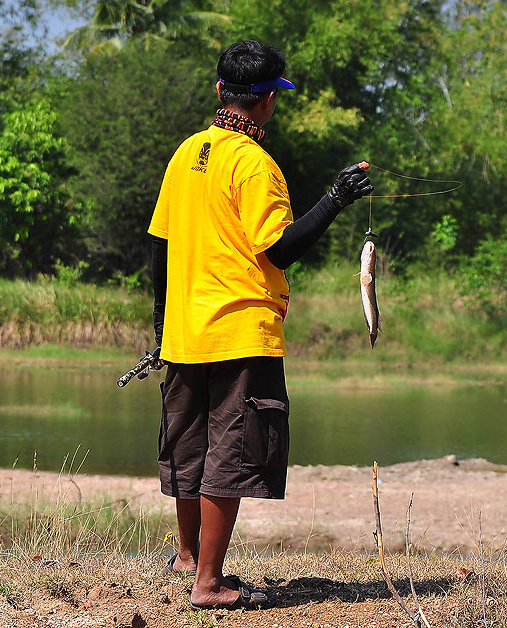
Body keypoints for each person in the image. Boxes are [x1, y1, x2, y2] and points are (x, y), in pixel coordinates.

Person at [148, 40, 373, 611]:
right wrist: (334, 200)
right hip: (240, 333)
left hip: (184, 331)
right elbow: (278, 248)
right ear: (269, 101)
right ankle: (209, 584)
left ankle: (188, 555)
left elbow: (159, 247)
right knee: (230, 452)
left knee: (188, 446)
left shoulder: (187, 153)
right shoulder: (256, 165)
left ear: (221, 90)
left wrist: (160, 327)